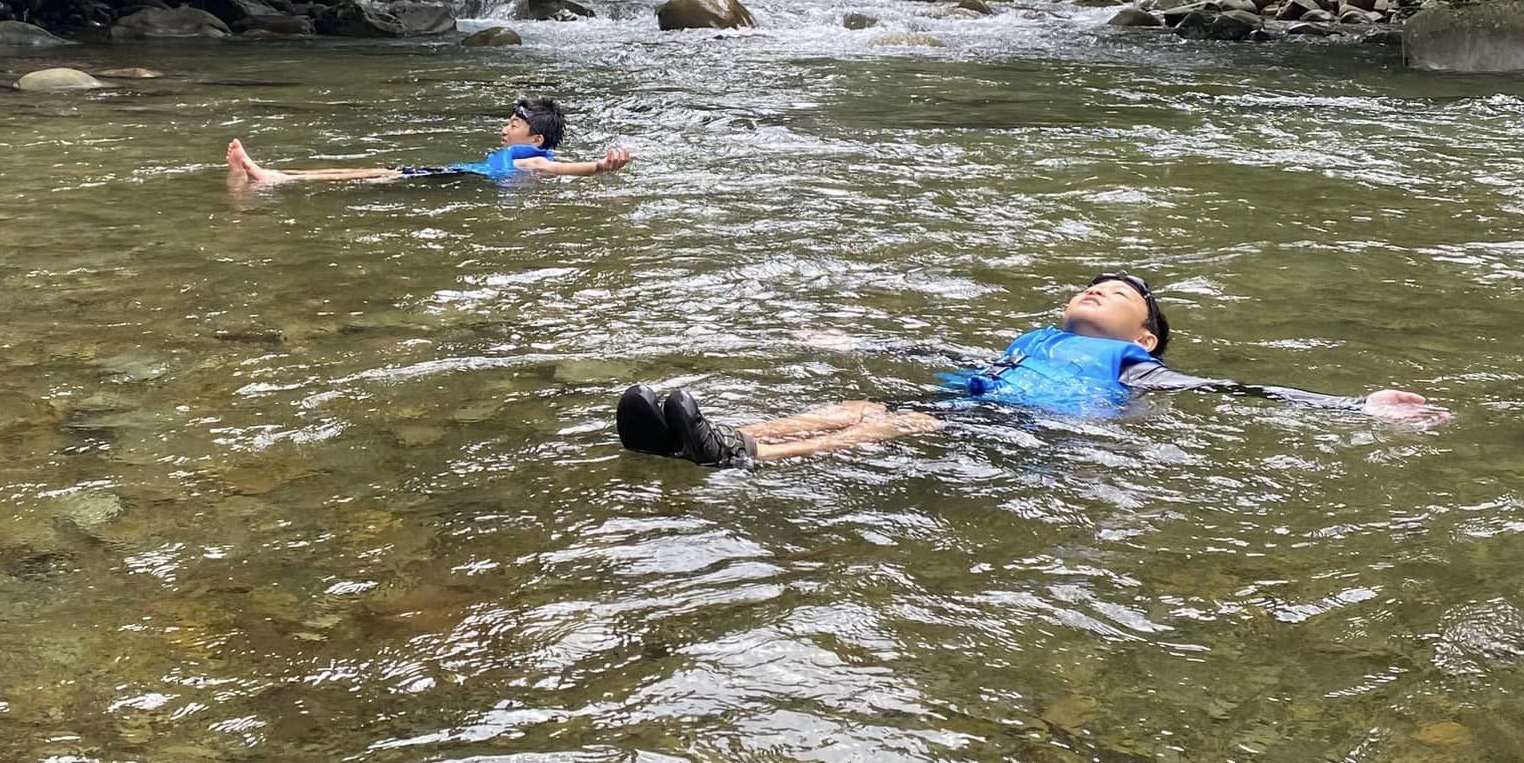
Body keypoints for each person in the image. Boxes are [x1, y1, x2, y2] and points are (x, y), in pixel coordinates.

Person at [615, 272, 1450, 468]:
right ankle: (706, 436)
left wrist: (1351, 405)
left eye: (1122, 293)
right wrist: (853, 340)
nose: (1100, 289)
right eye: (1092, 283)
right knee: (864, 397)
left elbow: (1226, 390)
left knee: (894, 423)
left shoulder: (1133, 365)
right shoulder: (1031, 343)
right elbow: (956, 359)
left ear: (1148, 336)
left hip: (1038, 428)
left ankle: (744, 457)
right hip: (991, 400)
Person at [225, 97, 631, 187]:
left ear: (535, 138)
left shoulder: (534, 162)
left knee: (374, 172)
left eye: (512, 125)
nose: (505, 131)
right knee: (377, 170)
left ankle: (274, 178)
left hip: (451, 181)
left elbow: (561, 168)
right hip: (453, 176)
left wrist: (600, 165)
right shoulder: (525, 157)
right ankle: (274, 175)